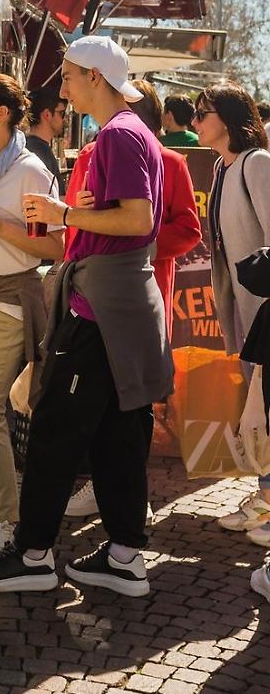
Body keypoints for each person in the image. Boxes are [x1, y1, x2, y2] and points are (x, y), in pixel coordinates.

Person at [0, 36, 168, 600]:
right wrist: (72, 222)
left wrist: (67, 214)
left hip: (100, 309)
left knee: (56, 428)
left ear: (93, 77)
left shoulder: (118, 134)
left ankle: (34, 554)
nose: (60, 88)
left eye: (67, 76)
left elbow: (137, 220)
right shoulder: (129, 132)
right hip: (119, 304)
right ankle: (124, 556)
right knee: (118, 432)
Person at [62, 79, 200, 519]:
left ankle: (125, 501)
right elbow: (74, 222)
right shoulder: (89, 153)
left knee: (133, 403)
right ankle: (107, 491)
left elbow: (187, 229)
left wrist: (139, 243)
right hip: (88, 294)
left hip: (143, 291)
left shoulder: (170, 161)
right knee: (98, 403)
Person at [0, 74, 63, 557]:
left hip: (8, 305)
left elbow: (54, 244)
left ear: (0, 112)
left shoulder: (29, 171)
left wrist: (0, 227)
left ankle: (6, 521)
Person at [193, 84, 270, 567]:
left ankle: (266, 505)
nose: (197, 120)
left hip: (265, 310)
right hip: (243, 309)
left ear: (228, 116)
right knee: (258, 409)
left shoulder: (258, 162)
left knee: (267, 408)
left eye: (204, 112)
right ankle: (264, 498)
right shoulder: (224, 167)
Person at [25, 85, 67, 187]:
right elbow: (59, 199)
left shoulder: (26, 145)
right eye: (62, 113)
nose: (64, 119)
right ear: (47, 115)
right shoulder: (42, 151)